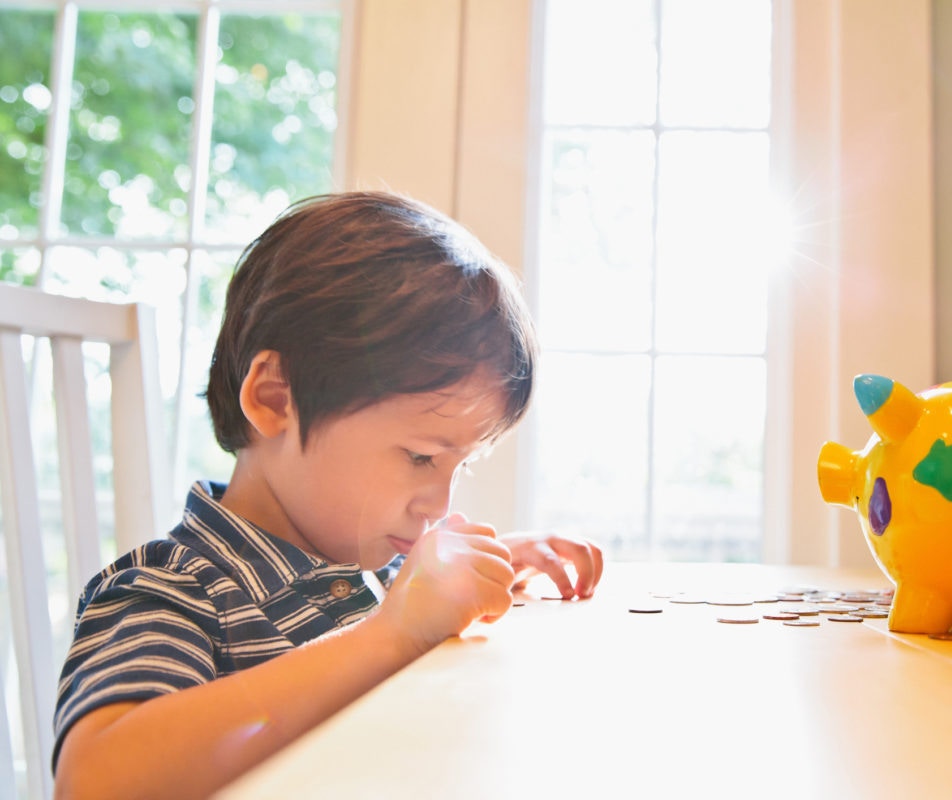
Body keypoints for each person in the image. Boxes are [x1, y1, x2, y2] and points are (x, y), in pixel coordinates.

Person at [51, 191, 604, 799]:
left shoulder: (378, 574)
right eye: (420, 456)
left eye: (460, 465)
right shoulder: (176, 591)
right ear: (274, 399)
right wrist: (393, 635)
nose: (439, 504)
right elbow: (95, 781)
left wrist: (487, 568)